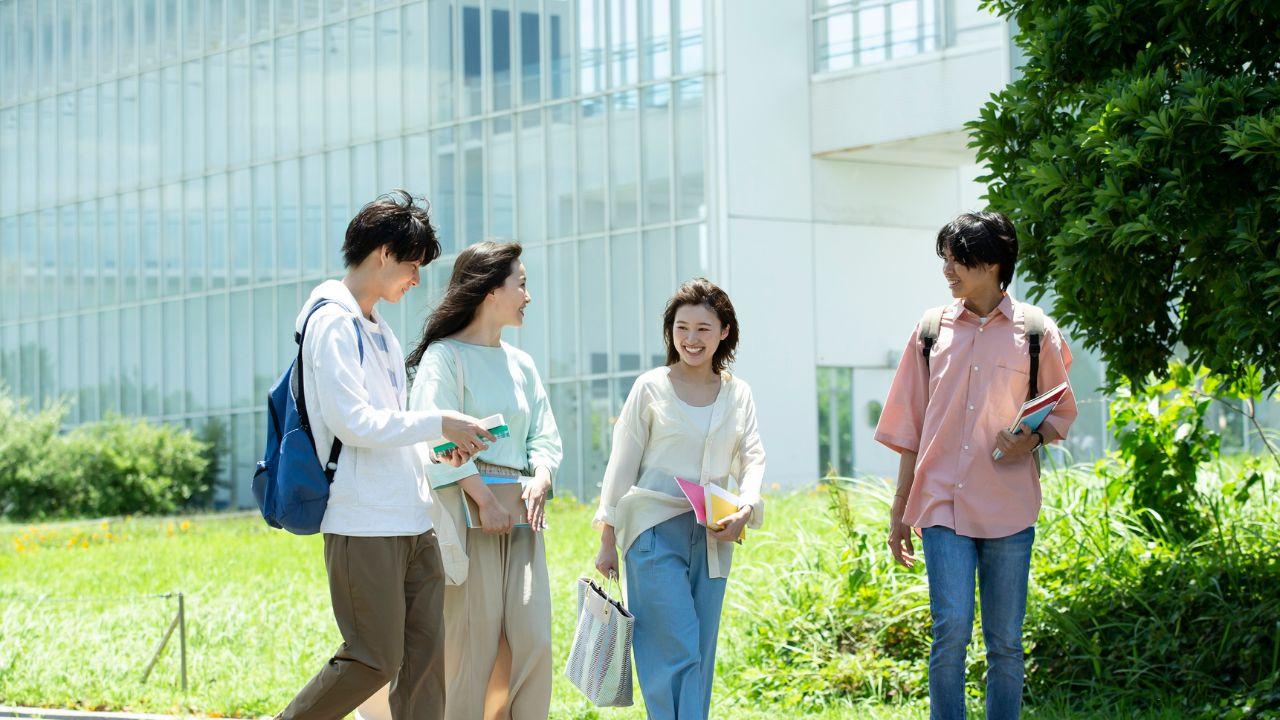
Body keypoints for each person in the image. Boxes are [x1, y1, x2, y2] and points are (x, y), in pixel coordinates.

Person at [277, 190, 495, 720]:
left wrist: (439, 446)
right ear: (382, 254)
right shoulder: (332, 322)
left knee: (425, 666)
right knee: (374, 659)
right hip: (362, 519)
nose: (417, 280)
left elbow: (389, 424)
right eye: (413, 265)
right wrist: (438, 420)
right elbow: (353, 423)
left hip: (409, 516)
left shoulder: (380, 330)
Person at [875, 211, 1079, 720]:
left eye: (957, 259)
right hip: (942, 502)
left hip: (1008, 506)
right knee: (950, 631)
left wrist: (1028, 441)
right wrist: (900, 509)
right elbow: (909, 428)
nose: (947, 270)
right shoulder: (929, 331)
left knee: (1006, 642)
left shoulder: (1036, 332)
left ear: (991, 263)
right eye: (944, 259)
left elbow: (1061, 410)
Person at [593, 277, 766, 720]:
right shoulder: (650, 388)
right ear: (670, 331)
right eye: (681, 327)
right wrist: (607, 538)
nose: (691, 339)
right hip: (652, 532)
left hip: (714, 534)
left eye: (703, 329)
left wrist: (746, 508)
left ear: (724, 331)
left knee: (700, 655)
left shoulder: (738, 393)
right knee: (674, 644)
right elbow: (622, 465)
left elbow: (752, 456)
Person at [404, 241, 563, 720]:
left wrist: (542, 475)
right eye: (522, 283)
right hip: (466, 517)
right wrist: (482, 501)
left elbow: (545, 434)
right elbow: (431, 437)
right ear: (492, 290)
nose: (528, 295)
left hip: (523, 519)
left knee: (533, 639)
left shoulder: (522, 364)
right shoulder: (444, 357)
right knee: (471, 642)